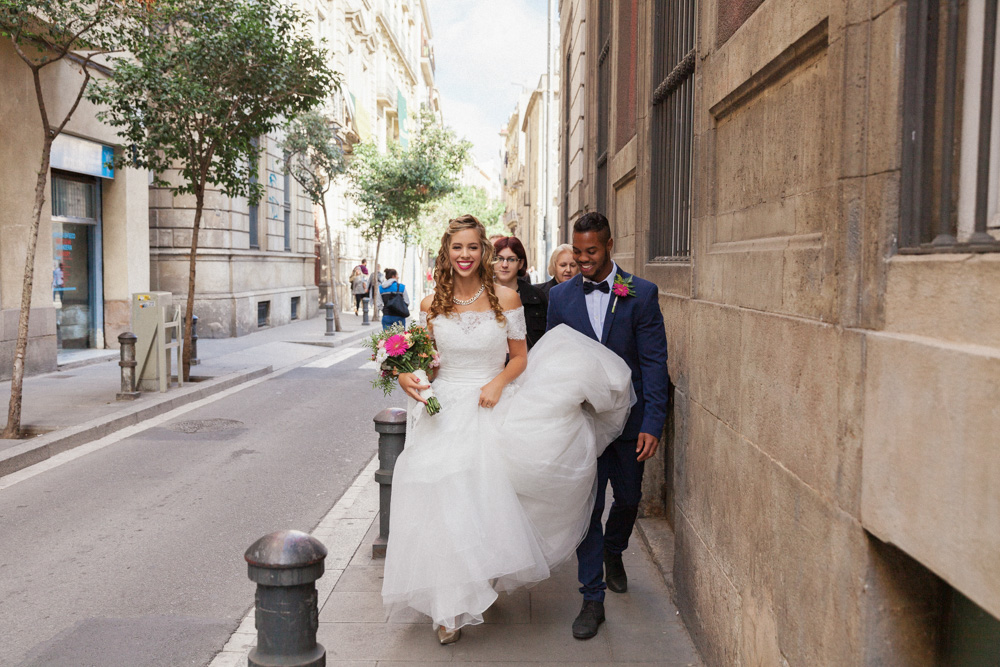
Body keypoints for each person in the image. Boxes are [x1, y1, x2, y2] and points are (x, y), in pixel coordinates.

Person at [383, 215, 634, 645]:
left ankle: (479, 579)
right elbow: (419, 361)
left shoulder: (507, 300)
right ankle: (449, 608)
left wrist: (498, 382)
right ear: (447, 252)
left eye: (472, 247)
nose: (465, 255)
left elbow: (520, 357)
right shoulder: (429, 305)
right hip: (441, 413)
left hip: (490, 407)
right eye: (457, 248)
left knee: (480, 503)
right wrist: (406, 374)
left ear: (483, 251)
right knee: (442, 503)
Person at [546, 212, 670, 640]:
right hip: (582, 424)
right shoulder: (560, 298)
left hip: (631, 423)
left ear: (610, 244)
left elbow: (654, 363)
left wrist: (654, 421)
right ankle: (591, 598)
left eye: (591, 252)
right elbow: (553, 361)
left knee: (630, 497)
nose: (582, 259)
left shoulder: (641, 293)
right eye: (577, 251)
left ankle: (615, 550)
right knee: (587, 509)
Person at [493, 236, 548, 349]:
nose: (504, 265)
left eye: (511, 259)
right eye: (499, 258)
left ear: (521, 263)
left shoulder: (536, 297)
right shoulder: (481, 294)